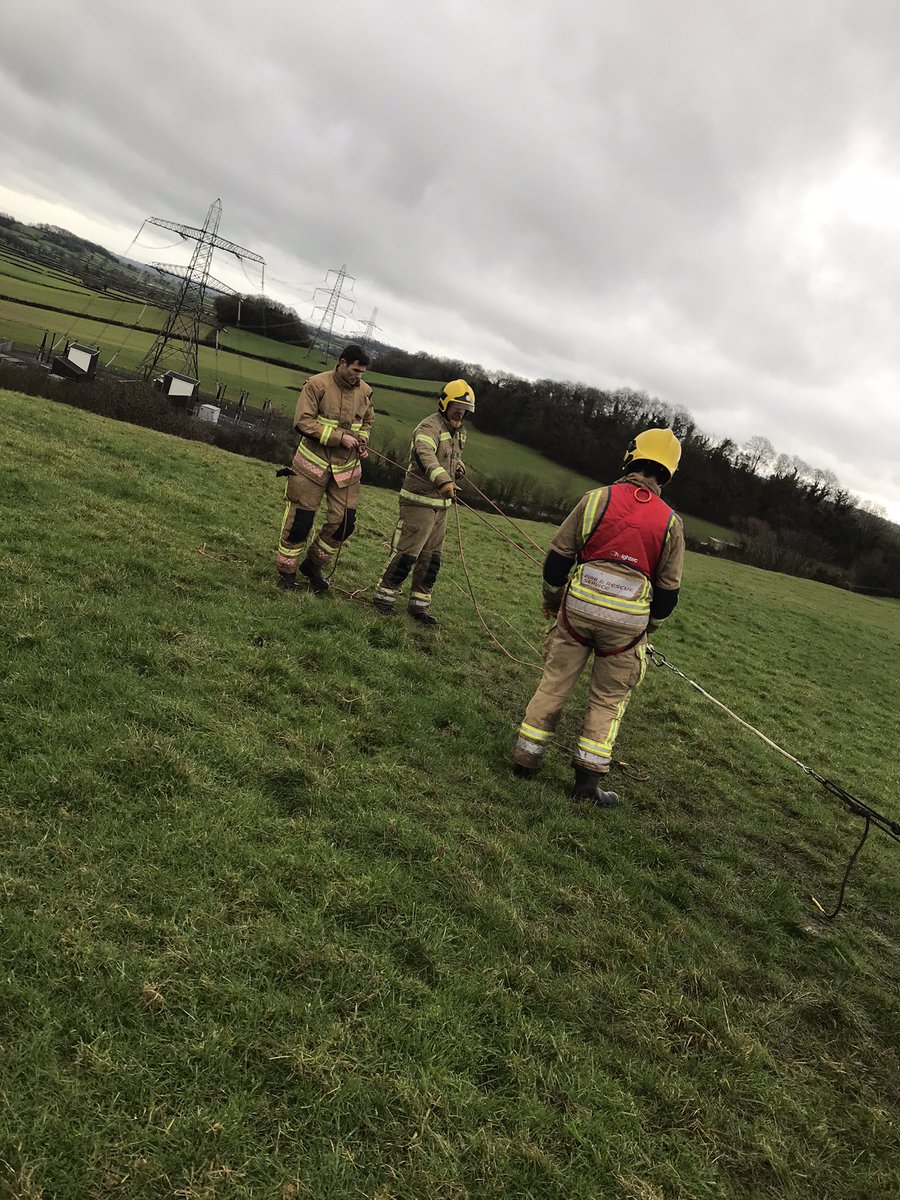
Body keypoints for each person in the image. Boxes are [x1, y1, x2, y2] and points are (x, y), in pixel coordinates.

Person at [512, 428, 685, 806]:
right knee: (608, 700)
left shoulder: (596, 499)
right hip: (627, 628)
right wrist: (645, 629)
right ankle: (587, 785)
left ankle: (526, 757)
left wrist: (553, 601)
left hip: (576, 613)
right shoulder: (671, 522)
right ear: (667, 472)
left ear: (631, 457)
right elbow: (668, 596)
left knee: (554, 681)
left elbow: (558, 560)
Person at [371, 379, 475, 625]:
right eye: (457, 406)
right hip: (419, 501)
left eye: (465, 410)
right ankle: (384, 596)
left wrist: (457, 468)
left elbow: (451, 458)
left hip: (441, 507)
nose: (460, 412)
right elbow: (426, 456)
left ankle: (419, 606)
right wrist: (444, 481)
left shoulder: (458, 432)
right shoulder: (428, 427)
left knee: (431, 560)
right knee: (408, 554)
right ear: (445, 404)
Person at [275, 345, 374, 591]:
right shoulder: (316, 384)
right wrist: (339, 437)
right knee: (301, 521)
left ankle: (313, 565)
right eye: (355, 370)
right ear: (341, 363)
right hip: (312, 465)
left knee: (344, 523)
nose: (358, 376)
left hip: (347, 469)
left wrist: (362, 441)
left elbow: (367, 422)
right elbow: (303, 422)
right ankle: (286, 572)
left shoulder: (366, 391)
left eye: (362, 372)